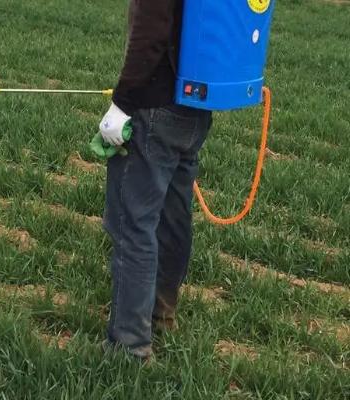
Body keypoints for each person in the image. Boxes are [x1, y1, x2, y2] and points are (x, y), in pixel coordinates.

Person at [99, 0, 213, 360]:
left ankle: (129, 346)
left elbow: (151, 34)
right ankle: (162, 314)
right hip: (195, 106)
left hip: (155, 105)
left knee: (134, 224)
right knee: (173, 215)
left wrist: (122, 103)